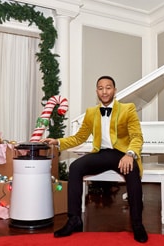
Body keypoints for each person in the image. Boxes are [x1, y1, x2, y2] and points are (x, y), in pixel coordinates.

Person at [41, 75, 148, 243]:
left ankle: (137, 224)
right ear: (96, 91)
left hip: (122, 154)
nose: (104, 91)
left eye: (108, 87)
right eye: (100, 88)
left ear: (115, 90)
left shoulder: (128, 109)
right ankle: (74, 219)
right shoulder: (91, 112)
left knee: (132, 169)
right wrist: (58, 141)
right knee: (75, 167)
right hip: (102, 153)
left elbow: (137, 136)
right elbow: (79, 137)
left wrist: (130, 154)